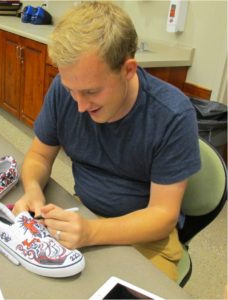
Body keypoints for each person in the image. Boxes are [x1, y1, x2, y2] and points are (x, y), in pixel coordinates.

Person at [12, 1, 201, 281]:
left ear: (128, 70)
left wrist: (91, 233)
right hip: (83, 213)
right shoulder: (67, 92)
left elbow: (163, 216)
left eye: (91, 91)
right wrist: (33, 190)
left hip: (144, 234)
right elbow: (39, 156)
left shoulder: (172, 115)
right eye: (71, 90)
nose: (79, 105)